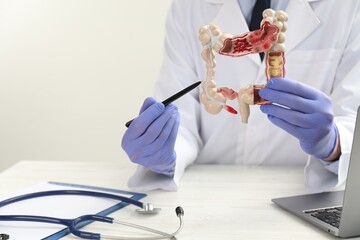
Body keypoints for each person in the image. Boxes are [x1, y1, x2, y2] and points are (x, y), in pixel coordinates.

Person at [121, 0, 360, 192]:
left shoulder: (350, 7)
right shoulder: (189, 6)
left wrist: (333, 144)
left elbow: (352, 118)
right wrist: (164, 152)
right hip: (207, 195)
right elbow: (181, 116)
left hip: (302, 196)